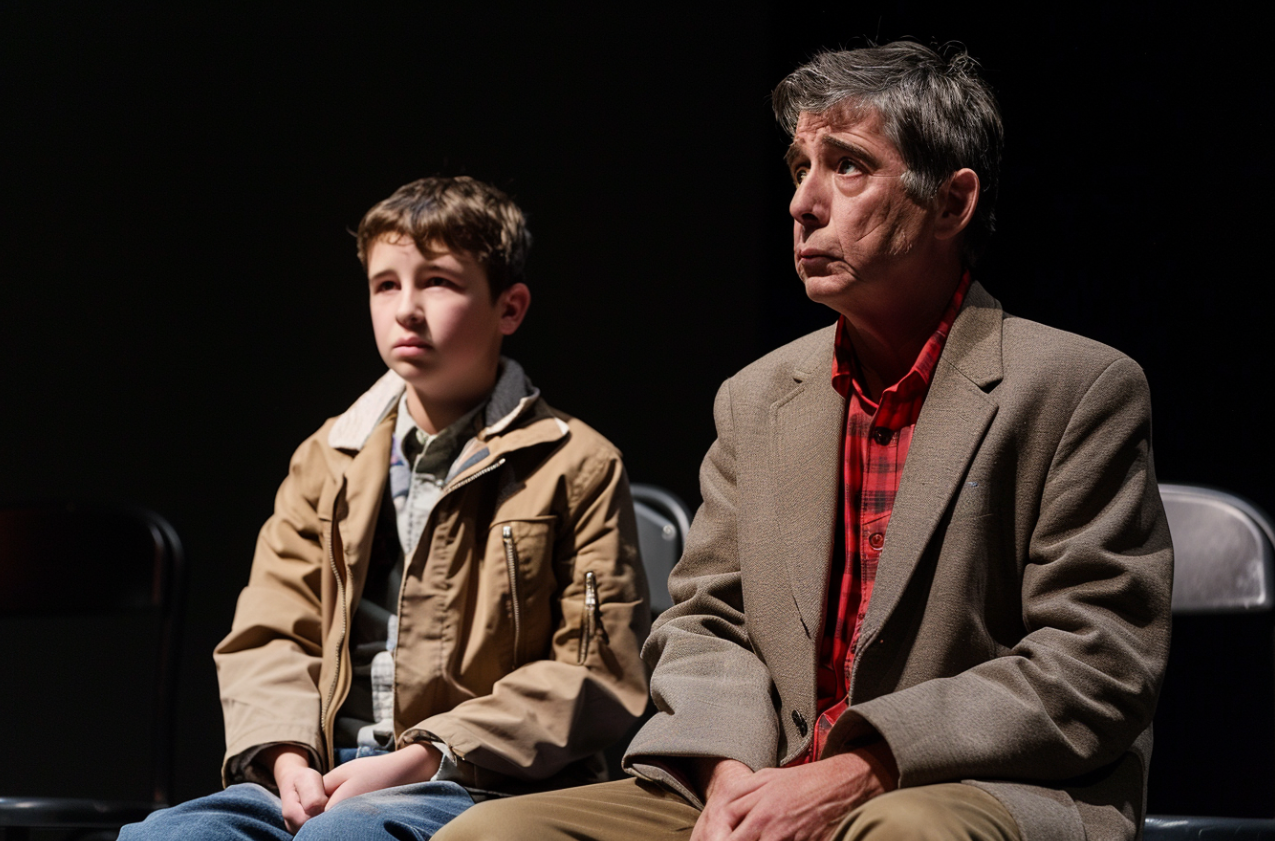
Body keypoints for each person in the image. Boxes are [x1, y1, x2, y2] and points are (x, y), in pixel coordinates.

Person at [430, 41, 1173, 841]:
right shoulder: (756, 397)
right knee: (483, 836)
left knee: (898, 834)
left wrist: (858, 769)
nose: (802, 203)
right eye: (798, 168)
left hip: (975, 784)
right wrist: (728, 779)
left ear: (951, 204)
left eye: (847, 166)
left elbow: (1095, 655)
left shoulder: (1074, 385)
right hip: (764, 770)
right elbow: (704, 619)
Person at [120, 176, 650, 841]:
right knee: (166, 837)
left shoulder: (576, 463)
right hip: (324, 772)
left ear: (509, 307)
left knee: (344, 839)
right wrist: (288, 756)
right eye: (385, 284)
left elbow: (595, 674)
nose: (407, 308)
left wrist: (423, 754)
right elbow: (272, 632)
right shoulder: (328, 455)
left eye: (439, 282)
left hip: (480, 783)